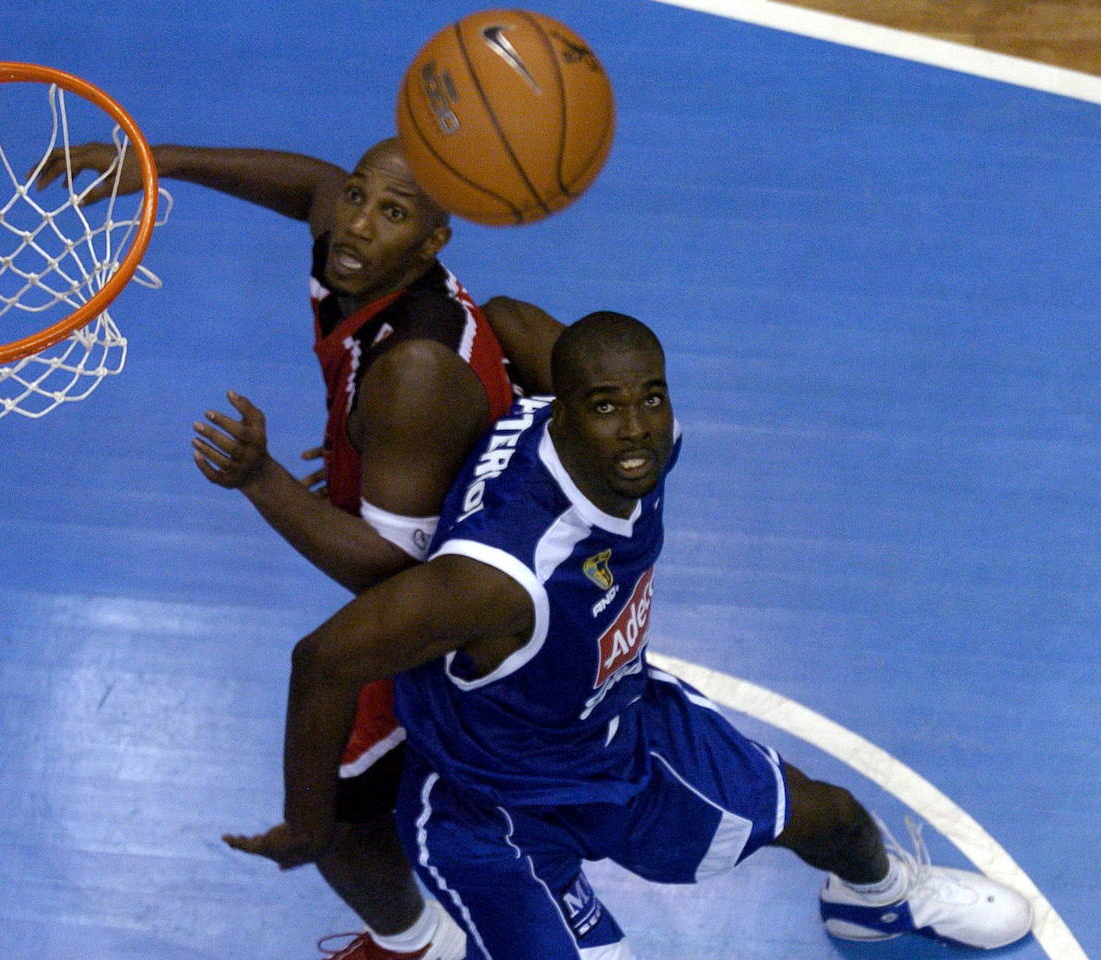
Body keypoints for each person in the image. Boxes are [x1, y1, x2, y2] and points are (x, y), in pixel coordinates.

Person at [223, 312, 1035, 958]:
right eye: (607, 406)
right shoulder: (500, 575)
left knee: (834, 818)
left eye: (652, 397)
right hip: (491, 804)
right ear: (567, 412)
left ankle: (879, 909)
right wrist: (308, 821)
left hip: (622, 734)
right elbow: (323, 659)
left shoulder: (638, 451)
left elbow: (503, 316)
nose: (639, 427)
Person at [39, 138, 548, 959]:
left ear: (433, 242)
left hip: (470, 608)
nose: (354, 225)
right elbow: (310, 188)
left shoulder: (411, 375)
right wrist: (157, 162)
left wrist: (259, 478)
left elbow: (396, 581)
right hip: (434, 506)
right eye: (357, 198)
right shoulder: (363, 262)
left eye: (392, 213)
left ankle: (421, 945)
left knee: (335, 808)